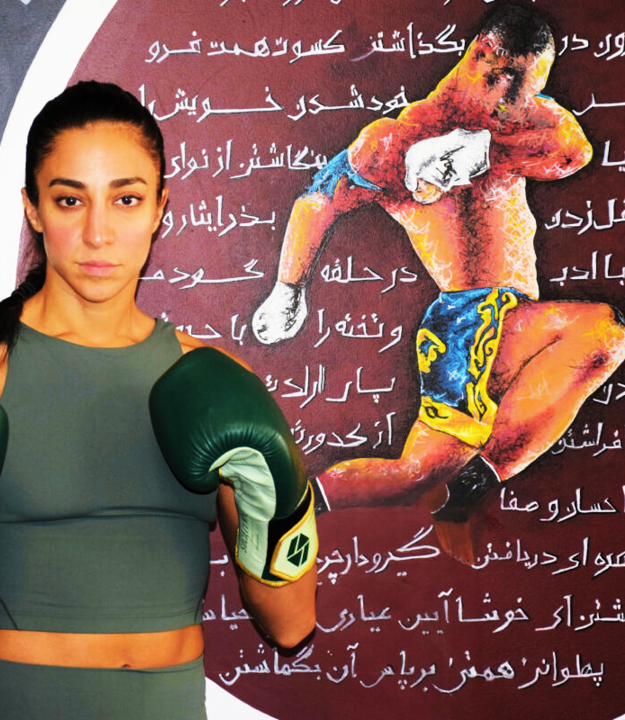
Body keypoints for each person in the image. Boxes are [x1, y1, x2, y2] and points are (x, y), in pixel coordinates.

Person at [0, 81, 318, 719]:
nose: (98, 233)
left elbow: (290, 624)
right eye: (69, 200)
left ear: (160, 208)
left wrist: (276, 504)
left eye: (126, 199)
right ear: (32, 208)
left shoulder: (212, 383)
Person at [252, 5, 625, 562]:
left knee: (412, 476)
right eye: (514, 87)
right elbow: (319, 200)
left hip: (491, 327)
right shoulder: (396, 142)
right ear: (485, 60)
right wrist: (288, 287)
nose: (519, 104)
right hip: (471, 320)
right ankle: (470, 486)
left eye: (532, 89)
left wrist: (488, 149)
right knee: (603, 332)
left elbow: (575, 151)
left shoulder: (519, 123)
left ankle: (290, 508)